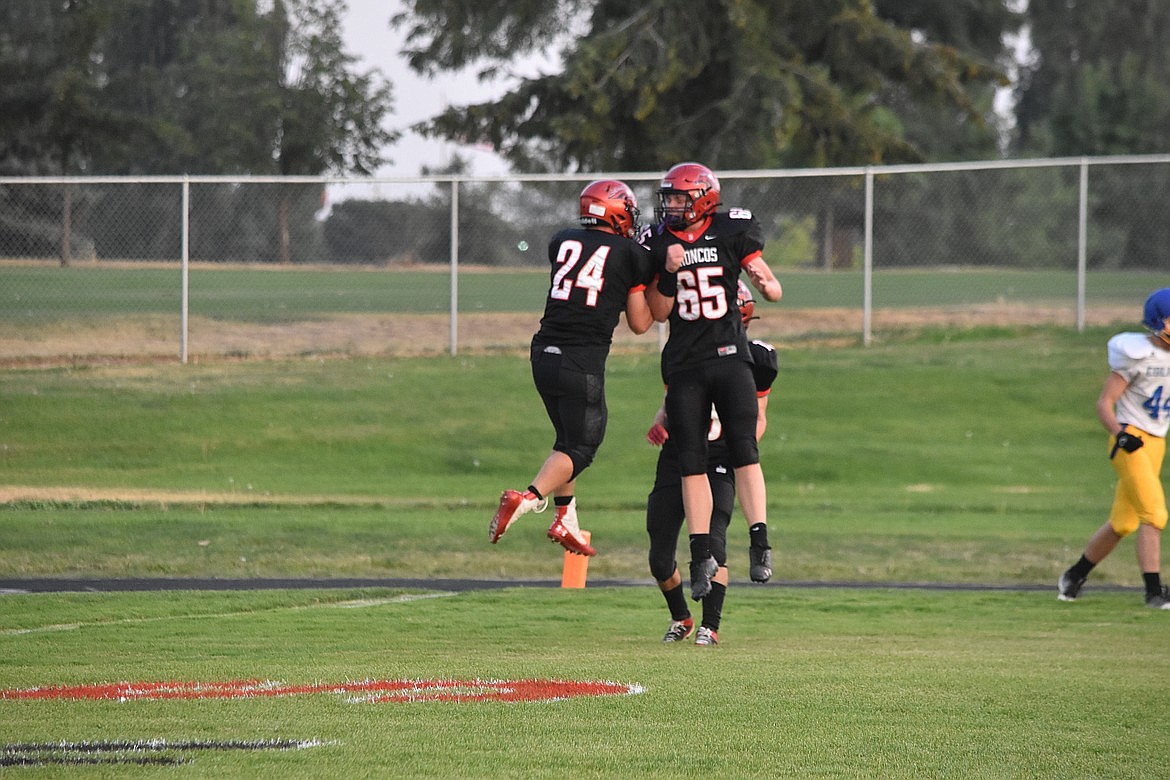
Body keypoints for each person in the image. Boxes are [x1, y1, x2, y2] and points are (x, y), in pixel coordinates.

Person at [489, 179, 655, 557]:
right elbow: (641, 324)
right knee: (582, 447)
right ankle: (527, 498)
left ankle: (567, 520)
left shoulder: (562, 240)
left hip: (542, 355)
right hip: (580, 360)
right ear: (615, 212)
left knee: (565, 442)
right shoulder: (630, 253)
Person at [643, 161, 782, 600]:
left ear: (703, 197)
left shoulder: (731, 230)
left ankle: (760, 544)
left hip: (728, 357)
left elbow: (771, 287)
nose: (672, 205)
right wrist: (666, 271)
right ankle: (700, 554)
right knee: (691, 461)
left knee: (745, 449)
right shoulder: (660, 241)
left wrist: (764, 280)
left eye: (680, 197)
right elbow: (658, 313)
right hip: (685, 364)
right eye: (669, 197)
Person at [647, 281, 778, 645]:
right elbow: (670, 403)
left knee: (715, 539)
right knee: (659, 554)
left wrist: (742, 446)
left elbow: (759, 417)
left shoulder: (757, 360)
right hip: (679, 457)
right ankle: (681, 617)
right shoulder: (680, 352)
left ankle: (711, 624)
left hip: (719, 457)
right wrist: (660, 423)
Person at [1058, 287, 1170, 610]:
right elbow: (1105, 403)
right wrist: (1119, 434)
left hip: (1156, 444)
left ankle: (1074, 575)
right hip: (1131, 441)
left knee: (1123, 523)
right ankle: (1153, 592)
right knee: (1155, 513)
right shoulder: (1138, 355)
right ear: (1158, 321)